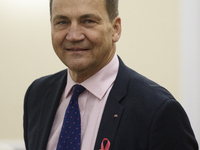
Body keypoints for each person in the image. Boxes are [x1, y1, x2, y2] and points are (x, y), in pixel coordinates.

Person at [23, 0, 198, 149]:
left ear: (115, 29)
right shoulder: (37, 94)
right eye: (62, 22)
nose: (74, 35)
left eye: (88, 21)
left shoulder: (158, 110)